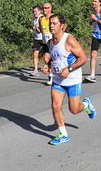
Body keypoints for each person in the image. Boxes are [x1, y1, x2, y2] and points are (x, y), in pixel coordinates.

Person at [41, 14, 96, 145]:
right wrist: (47, 66)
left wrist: (69, 69)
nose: (51, 26)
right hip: (58, 80)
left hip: (73, 80)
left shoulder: (69, 40)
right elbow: (54, 59)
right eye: (50, 24)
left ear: (62, 26)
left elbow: (83, 58)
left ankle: (86, 105)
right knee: (55, 106)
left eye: (54, 24)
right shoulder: (50, 42)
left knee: (74, 109)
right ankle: (63, 134)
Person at [37, 2, 54, 85]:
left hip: (54, 42)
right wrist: (37, 29)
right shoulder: (41, 19)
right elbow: (41, 30)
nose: (44, 9)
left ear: (50, 8)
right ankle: (51, 76)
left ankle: (56, 73)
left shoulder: (54, 17)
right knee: (47, 59)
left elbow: (64, 25)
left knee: (55, 58)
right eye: (43, 8)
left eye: (46, 8)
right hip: (45, 42)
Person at [29, 6, 44, 76]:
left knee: (48, 56)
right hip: (37, 39)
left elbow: (41, 30)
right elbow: (35, 27)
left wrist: (37, 28)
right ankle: (35, 70)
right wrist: (33, 29)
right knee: (35, 54)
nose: (34, 13)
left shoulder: (41, 18)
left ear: (39, 11)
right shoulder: (34, 18)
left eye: (36, 11)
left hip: (44, 39)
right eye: (34, 11)